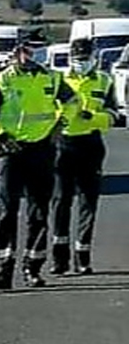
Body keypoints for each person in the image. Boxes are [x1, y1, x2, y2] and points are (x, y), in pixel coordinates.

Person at [0, 38, 75, 290]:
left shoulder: (52, 78)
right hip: (10, 151)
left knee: (39, 212)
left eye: (38, 50)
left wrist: (60, 126)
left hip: (41, 149)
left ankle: (33, 267)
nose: (33, 56)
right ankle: (3, 269)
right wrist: (0, 135)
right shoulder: (2, 80)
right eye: (29, 51)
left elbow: (72, 102)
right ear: (18, 53)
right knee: (7, 210)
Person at [50, 39, 117, 275]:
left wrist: (95, 118)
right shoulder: (58, 79)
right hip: (63, 143)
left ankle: (83, 256)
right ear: (70, 58)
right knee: (61, 200)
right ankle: (59, 257)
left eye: (85, 58)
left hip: (91, 143)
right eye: (77, 59)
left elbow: (113, 114)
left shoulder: (104, 80)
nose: (81, 63)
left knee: (89, 201)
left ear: (94, 57)